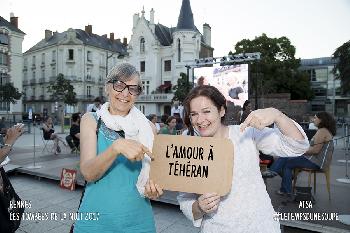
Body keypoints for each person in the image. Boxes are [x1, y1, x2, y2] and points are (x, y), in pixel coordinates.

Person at [176, 85, 308, 233]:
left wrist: (277, 116)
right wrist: (199, 207)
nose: (200, 120)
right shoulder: (189, 146)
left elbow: (297, 146)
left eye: (206, 111)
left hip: (260, 226)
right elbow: (185, 198)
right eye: (194, 114)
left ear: (221, 110)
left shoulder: (245, 134)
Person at [74, 63, 163, 232]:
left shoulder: (148, 129)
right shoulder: (91, 120)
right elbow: (88, 172)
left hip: (139, 222)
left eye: (132, 88)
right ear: (107, 87)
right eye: (119, 85)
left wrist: (153, 189)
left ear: (137, 93)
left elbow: (153, 178)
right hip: (95, 222)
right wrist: (116, 147)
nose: (125, 93)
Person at [262, 112, 336, 195]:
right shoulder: (324, 130)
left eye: (315, 118)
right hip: (317, 160)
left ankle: (279, 180)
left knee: (287, 161)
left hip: (317, 162)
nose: (313, 120)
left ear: (321, 120)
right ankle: (282, 178)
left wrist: (300, 150)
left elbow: (315, 150)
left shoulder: (322, 131)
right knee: (287, 158)